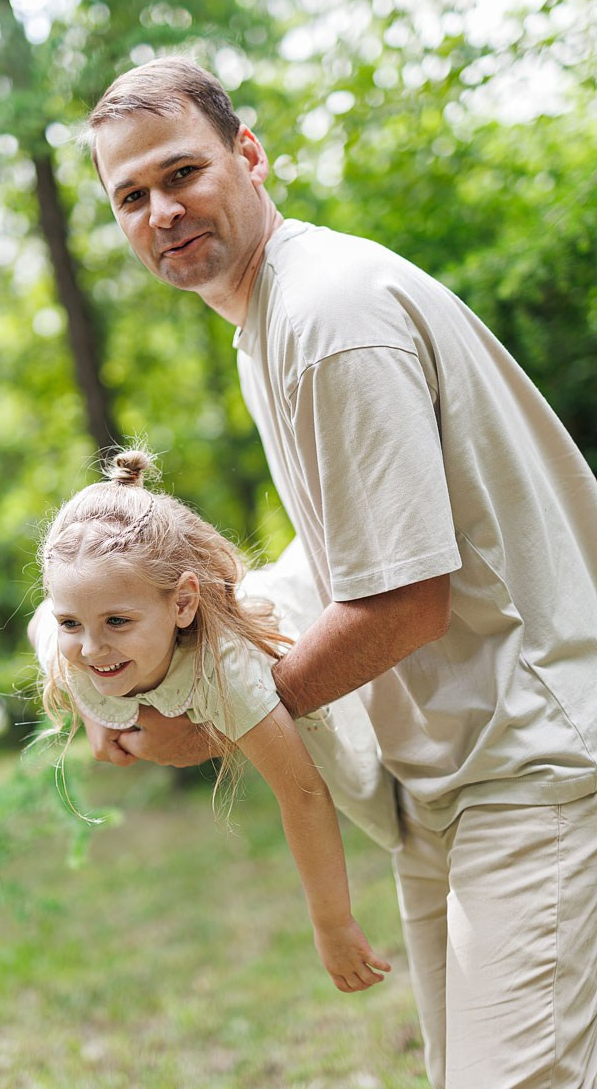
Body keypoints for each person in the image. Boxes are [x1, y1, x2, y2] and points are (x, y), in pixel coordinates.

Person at [55, 55, 597, 1088]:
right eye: (131, 195)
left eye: (181, 173)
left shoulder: (324, 324)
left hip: (529, 763)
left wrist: (218, 721)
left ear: (248, 154)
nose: (161, 211)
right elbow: (343, 554)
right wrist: (142, 653)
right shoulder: (269, 321)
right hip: (452, 776)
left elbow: (401, 603)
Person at [33, 446, 394, 994]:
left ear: (181, 604)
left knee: (380, 796)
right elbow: (44, 627)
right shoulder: (70, 638)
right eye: (72, 622)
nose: (91, 646)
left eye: (116, 621)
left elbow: (302, 796)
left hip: (303, 608)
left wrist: (332, 923)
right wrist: (92, 715)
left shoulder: (224, 668)